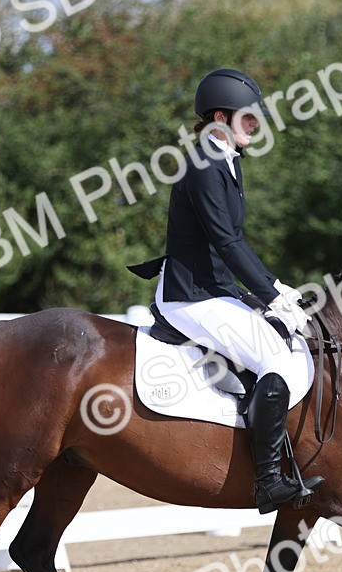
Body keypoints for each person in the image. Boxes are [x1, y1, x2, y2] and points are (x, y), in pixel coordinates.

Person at [128, 68, 324, 514]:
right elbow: (227, 241)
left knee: (284, 345)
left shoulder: (226, 160)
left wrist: (271, 293)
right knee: (274, 357)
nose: (256, 125)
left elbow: (229, 243)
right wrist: (273, 294)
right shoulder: (203, 164)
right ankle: (268, 481)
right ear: (221, 117)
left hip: (215, 289)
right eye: (249, 118)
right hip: (191, 296)